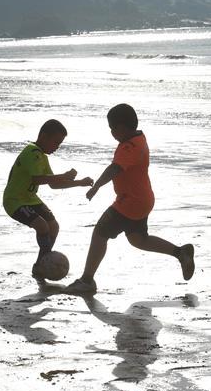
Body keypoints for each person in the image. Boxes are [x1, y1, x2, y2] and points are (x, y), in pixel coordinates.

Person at [66, 103, 194, 295]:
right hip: (143, 199)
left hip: (130, 201)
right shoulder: (139, 138)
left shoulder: (129, 147)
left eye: (112, 128)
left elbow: (114, 169)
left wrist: (97, 187)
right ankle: (180, 252)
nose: (111, 133)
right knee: (138, 239)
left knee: (100, 233)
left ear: (122, 127)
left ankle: (87, 280)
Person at [3, 119, 94, 278]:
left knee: (54, 226)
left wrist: (79, 183)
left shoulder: (42, 156)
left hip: (30, 198)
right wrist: (64, 175)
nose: (57, 147)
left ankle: (40, 264)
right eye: (56, 142)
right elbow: (37, 179)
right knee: (42, 226)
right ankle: (44, 263)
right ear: (44, 136)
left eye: (59, 144)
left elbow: (54, 184)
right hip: (14, 200)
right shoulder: (32, 152)